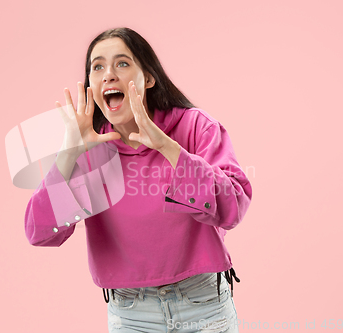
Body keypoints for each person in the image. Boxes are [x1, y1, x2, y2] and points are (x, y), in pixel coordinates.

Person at [24, 27, 252, 333]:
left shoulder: (197, 127)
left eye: (121, 63)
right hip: (132, 314)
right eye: (97, 67)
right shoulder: (89, 150)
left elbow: (232, 208)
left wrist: (168, 147)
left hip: (204, 304)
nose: (108, 75)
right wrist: (67, 155)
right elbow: (40, 233)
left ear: (148, 77)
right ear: (91, 85)